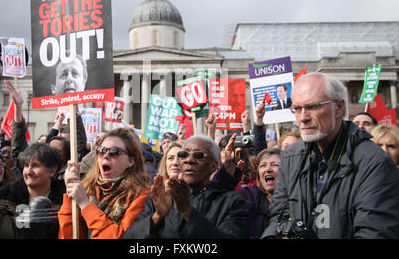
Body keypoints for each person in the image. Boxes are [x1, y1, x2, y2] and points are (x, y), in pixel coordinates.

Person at [262, 72, 399, 239]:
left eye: (312, 107)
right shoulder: (291, 156)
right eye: (297, 109)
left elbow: (374, 233)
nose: (303, 117)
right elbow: (279, 217)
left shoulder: (374, 162)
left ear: (339, 107)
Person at [123, 135, 252, 239]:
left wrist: (188, 212)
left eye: (198, 155)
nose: (189, 160)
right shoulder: (161, 197)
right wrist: (157, 217)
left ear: (214, 166)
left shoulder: (233, 202)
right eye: (184, 154)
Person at [58, 127, 151, 239]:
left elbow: (120, 236)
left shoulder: (141, 195)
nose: (106, 156)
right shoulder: (86, 188)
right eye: (101, 150)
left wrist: (84, 203)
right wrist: (70, 193)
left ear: (130, 161)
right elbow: (67, 234)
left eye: (114, 152)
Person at [0, 143, 65, 239]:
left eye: (36, 166)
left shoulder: (66, 206)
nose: (28, 172)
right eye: (26, 166)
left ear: (52, 171)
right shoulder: (4, 202)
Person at [238, 148, 281, 238]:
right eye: (263, 166)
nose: (268, 169)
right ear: (258, 174)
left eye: (275, 165)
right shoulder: (248, 195)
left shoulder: (297, 199)